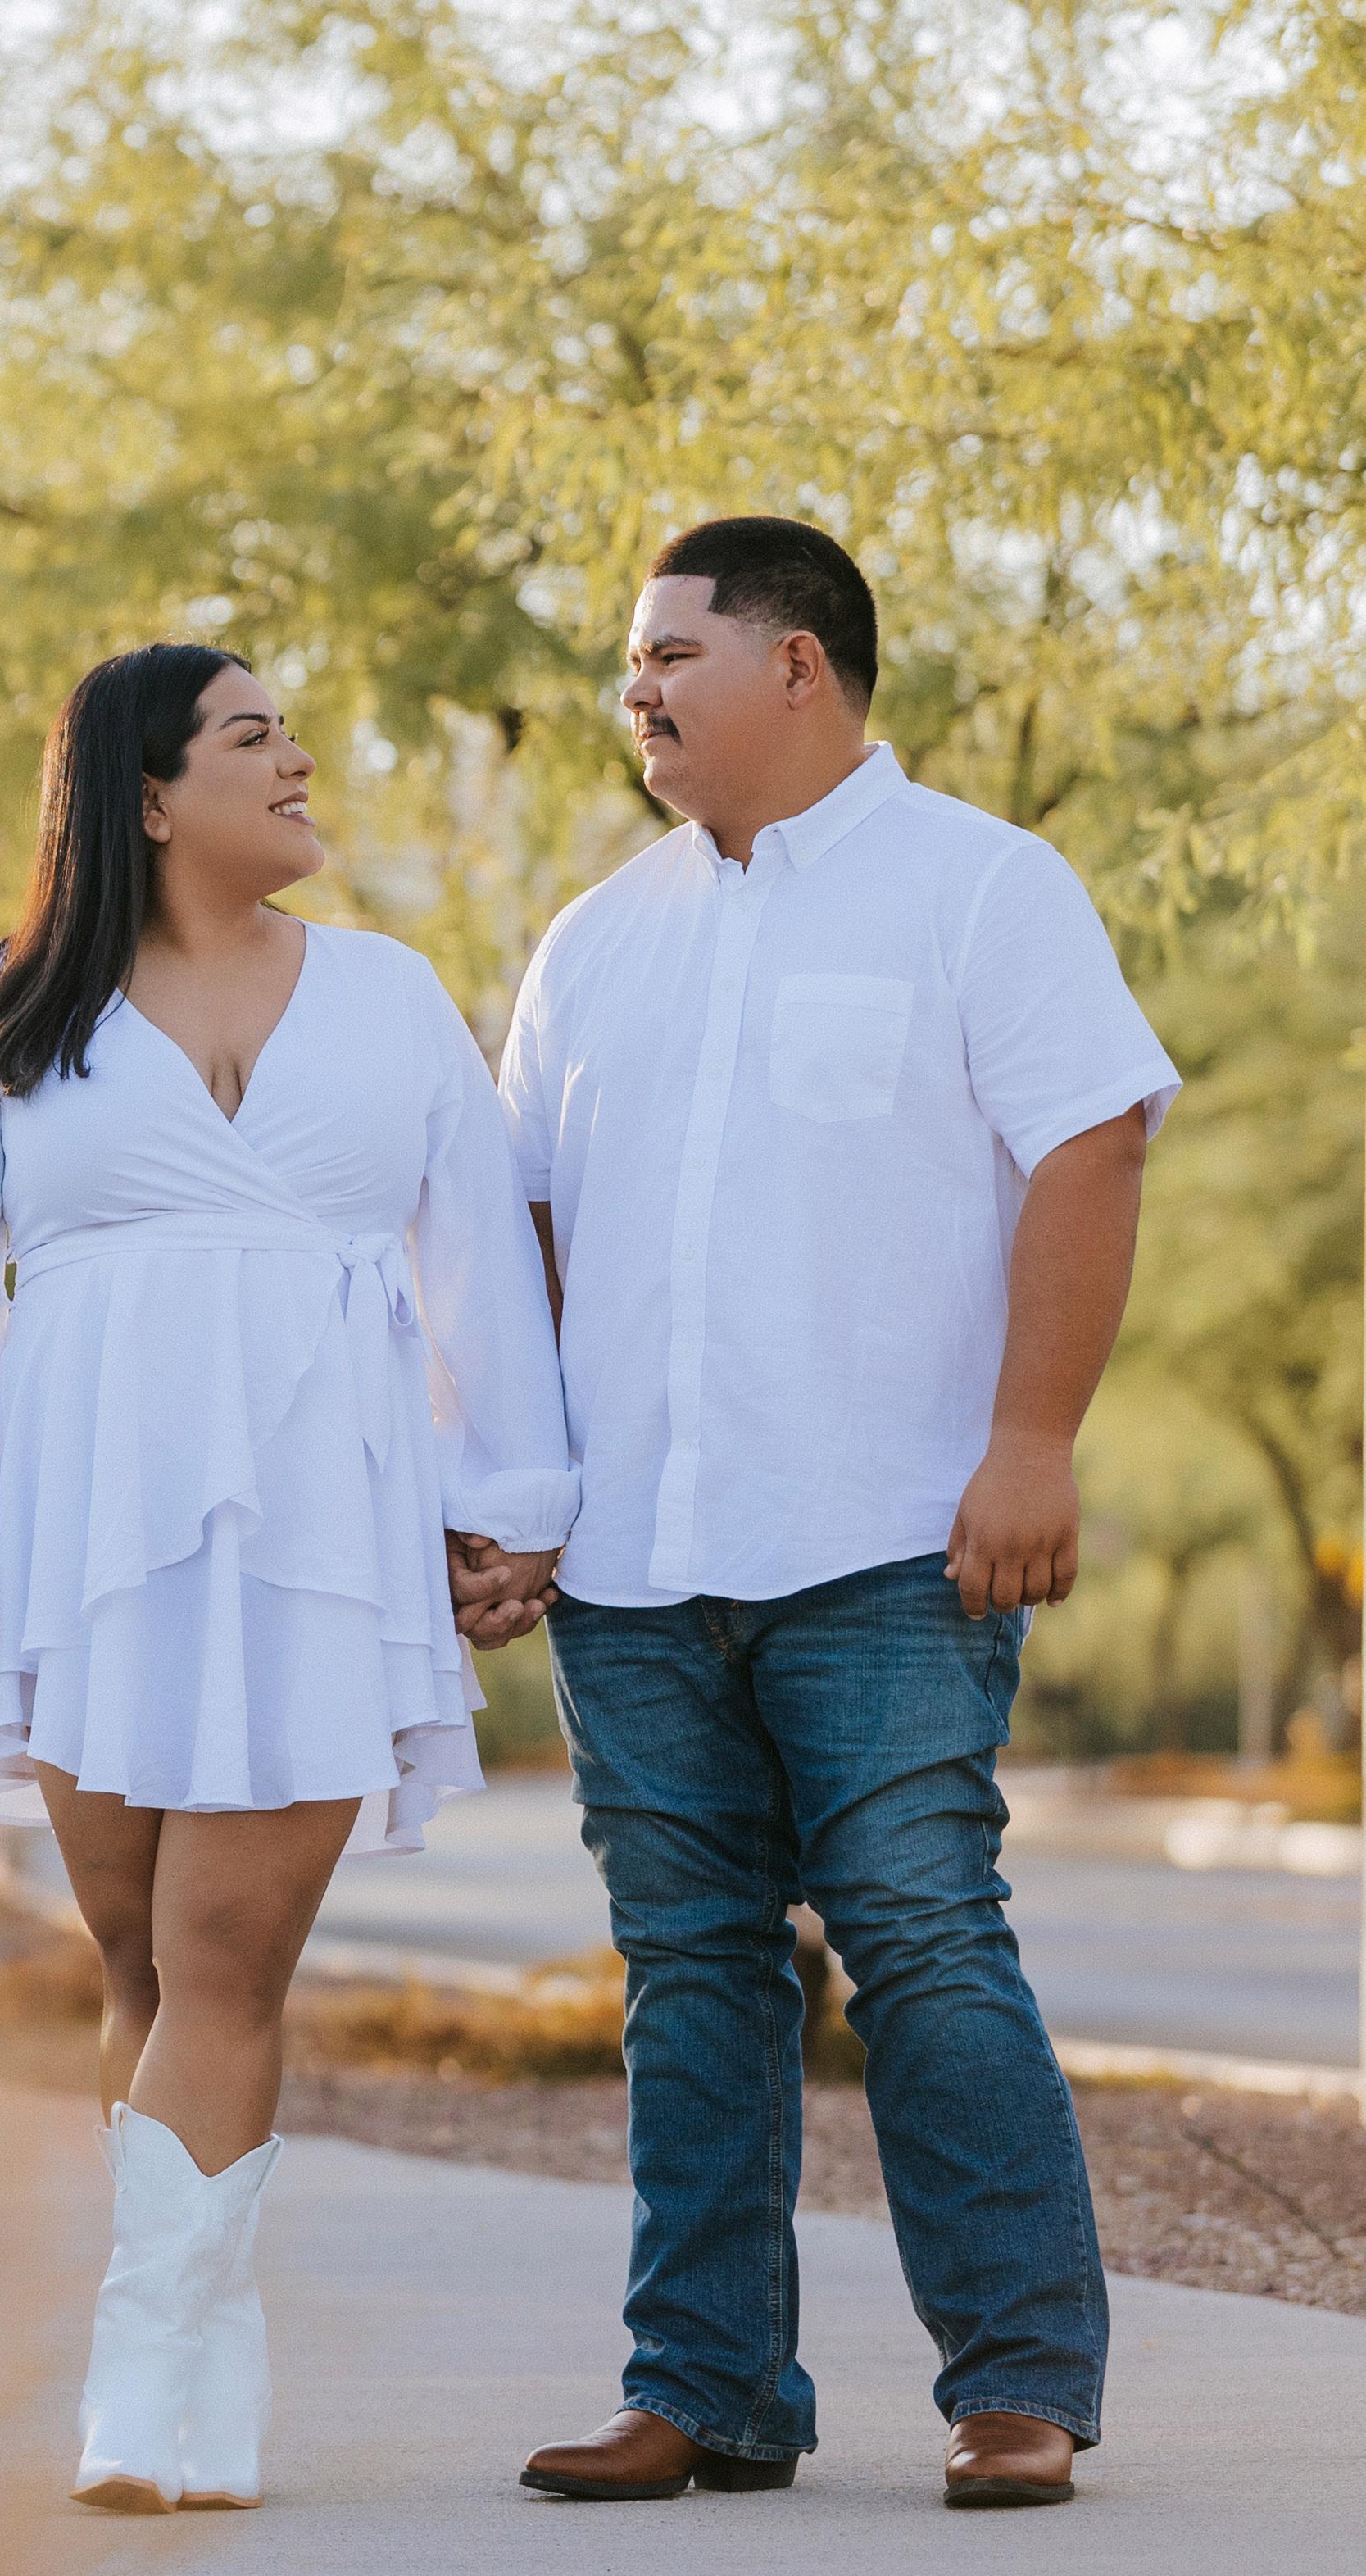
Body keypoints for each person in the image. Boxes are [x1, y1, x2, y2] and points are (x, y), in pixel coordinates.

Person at [490, 516, 1175, 2513]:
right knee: (687, 1967)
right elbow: (520, 1237)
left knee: (920, 1938)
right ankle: (701, 2387)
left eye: (667, 655)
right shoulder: (590, 939)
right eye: (628, 661)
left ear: (796, 664)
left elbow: (1087, 1147)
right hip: (632, 1559)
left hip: (888, 1535)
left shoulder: (980, 885)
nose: (631, 691)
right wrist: (516, 1496)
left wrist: (1029, 1439)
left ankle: (1018, 2382)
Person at [0, 640, 572, 2515]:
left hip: (322, 1534)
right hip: (84, 1539)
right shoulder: (3, 1006)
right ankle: (207, 2368)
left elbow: (479, 1269)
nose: (298, 758)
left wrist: (514, 1500)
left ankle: (133, 2365)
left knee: (223, 1957)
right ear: (149, 796)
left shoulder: (390, 999)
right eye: (253, 736)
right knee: (136, 1960)